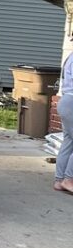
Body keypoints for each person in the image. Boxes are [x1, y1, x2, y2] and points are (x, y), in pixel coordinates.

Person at [54, 47, 73, 193]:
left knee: (68, 141)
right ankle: (69, 179)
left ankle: (59, 180)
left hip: (66, 100)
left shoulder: (70, 57)